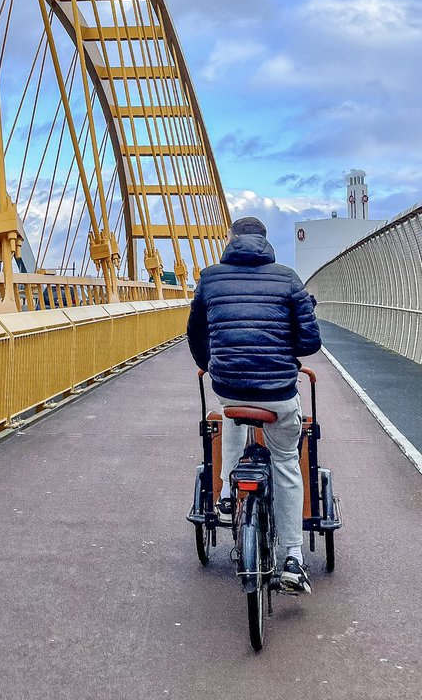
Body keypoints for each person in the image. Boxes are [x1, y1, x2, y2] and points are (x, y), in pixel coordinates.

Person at [187, 215, 321, 595]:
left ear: (230, 240)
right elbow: (310, 343)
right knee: (285, 461)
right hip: (278, 391)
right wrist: (282, 350)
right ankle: (293, 558)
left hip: (228, 384)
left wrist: (210, 362)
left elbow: (195, 333)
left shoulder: (209, 277)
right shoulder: (288, 278)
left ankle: (227, 495)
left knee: (231, 419)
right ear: (266, 241)